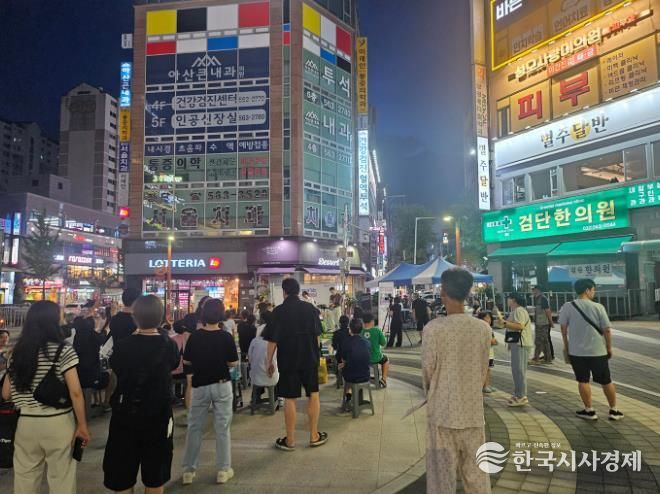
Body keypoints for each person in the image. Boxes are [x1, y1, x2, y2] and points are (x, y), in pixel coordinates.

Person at [2, 301, 90, 494]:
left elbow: (6, 393)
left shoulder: (16, 353)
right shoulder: (63, 350)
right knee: (61, 479)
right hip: (58, 422)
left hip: (26, 423)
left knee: (25, 478)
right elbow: (75, 392)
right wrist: (82, 425)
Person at [421, 269, 492, 494]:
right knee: (477, 479)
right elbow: (483, 370)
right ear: (468, 292)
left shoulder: (432, 330)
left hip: (442, 413)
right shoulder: (483, 329)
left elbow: (428, 371)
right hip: (472, 412)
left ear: (443, 292)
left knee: (441, 482)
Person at [103, 295, 180, 493]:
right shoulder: (169, 345)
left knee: (122, 473)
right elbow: (173, 365)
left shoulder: (123, 346)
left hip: (126, 412)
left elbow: (117, 369)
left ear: (135, 317)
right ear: (160, 317)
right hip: (158, 414)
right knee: (155, 475)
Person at [181, 299, 239, 485]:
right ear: (221, 315)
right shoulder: (226, 337)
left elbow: (187, 361)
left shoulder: (195, 337)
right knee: (222, 428)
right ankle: (223, 469)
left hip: (199, 385)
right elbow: (233, 362)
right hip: (222, 385)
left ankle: (189, 471)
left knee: (194, 427)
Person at [267, 278, 327, 451]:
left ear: (284, 291)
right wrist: (317, 355)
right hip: (309, 358)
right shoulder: (310, 309)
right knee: (313, 394)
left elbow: (272, 341)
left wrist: (269, 361)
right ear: (298, 291)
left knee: (290, 398)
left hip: (288, 360)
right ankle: (314, 436)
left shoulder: (278, 311)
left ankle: (290, 440)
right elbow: (317, 336)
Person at [559, 279, 623, 421]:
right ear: (587, 290)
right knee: (606, 381)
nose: (594, 292)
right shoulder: (598, 307)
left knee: (583, 380)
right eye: (593, 290)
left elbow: (563, 329)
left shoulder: (567, 306)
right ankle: (614, 410)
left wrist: (566, 346)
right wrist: (609, 347)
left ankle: (589, 410)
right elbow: (607, 330)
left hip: (576, 352)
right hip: (598, 351)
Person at [502, 293, 533, 407]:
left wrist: (504, 323)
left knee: (519, 371)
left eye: (508, 298)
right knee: (516, 370)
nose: (507, 301)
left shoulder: (519, 310)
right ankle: (518, 394)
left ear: (513, 300)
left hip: (521, 344)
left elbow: (520, 326)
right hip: (518, 343)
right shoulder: (516, 311)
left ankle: (521, 396)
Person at [340, 318, 371, 408]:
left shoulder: (346, 342)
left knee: (344, 368)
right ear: (362, 329)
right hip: (365, 375)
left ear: (350, 329)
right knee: (356, 366)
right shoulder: (367, 342)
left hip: (350, 376)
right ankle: (358, 399)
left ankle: (348, 397)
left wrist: (344, 364)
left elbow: (343, 359)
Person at [248, 311, 279, 394]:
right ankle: (278, 396)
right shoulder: (275, 342)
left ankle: (256, 397)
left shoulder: (255, 340)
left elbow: (250, 359)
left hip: (256, 377)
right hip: (272, 377)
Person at [361, 312, 389, 388]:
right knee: (386, 360)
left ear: (363, 321)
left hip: (363, 359)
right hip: (375, 357)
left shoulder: (360, 331)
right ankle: (383, 379)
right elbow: (383, 343)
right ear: (372, 321)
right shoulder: (377, 330)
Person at [531, 286, 554, 364]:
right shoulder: (537, 298)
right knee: (542, 341)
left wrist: (551, 322)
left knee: (541, 341)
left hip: (543, 324)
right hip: (539, 323)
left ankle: (539, 358)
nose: (532, 291)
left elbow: (548, 311)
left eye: (533, 290)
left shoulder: (543, 299)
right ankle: (546, 358)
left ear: (538, 290)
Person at [476, 311, 498, 394]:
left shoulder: (490, 328)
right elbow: (488, 341)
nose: (488, 320)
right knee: (485, 369)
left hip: (490, 352)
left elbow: (493, 341)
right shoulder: (481, 329)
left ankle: (487, 385)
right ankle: (484, 386)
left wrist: (493, 341)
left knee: (488, 369)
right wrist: (492, 341)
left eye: (489, 318)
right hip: (484, 353)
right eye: (486, 317)